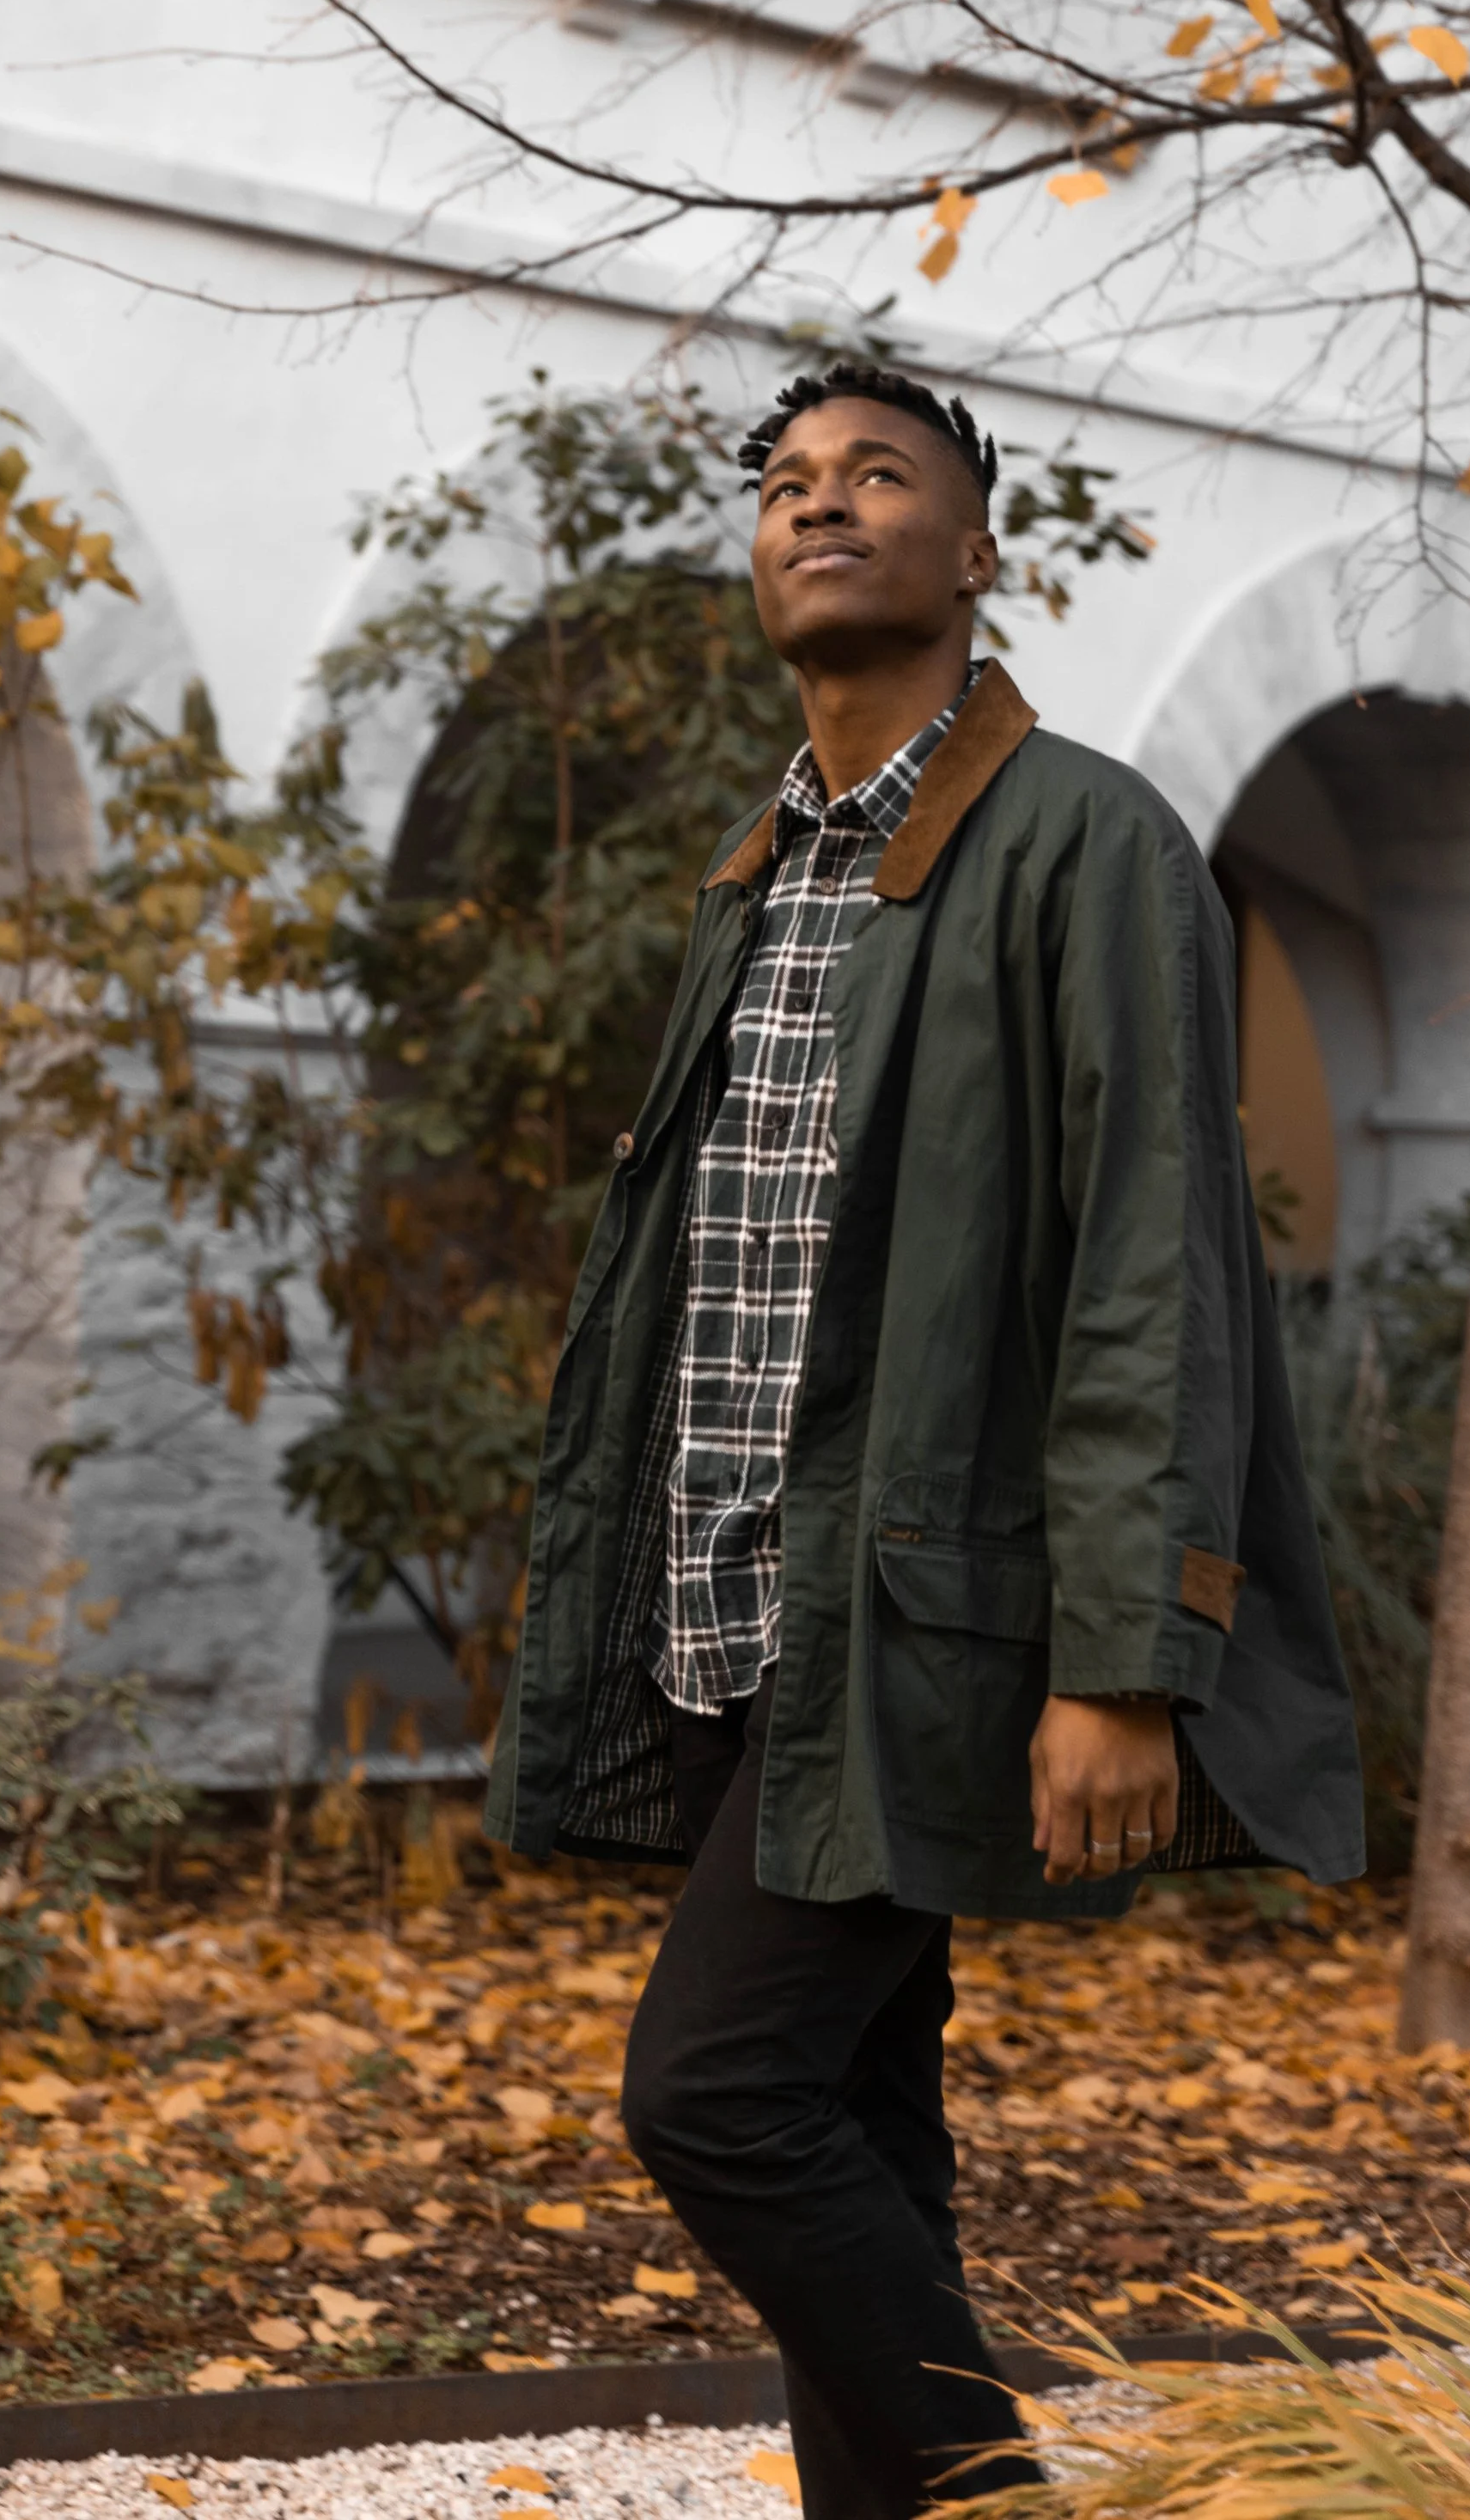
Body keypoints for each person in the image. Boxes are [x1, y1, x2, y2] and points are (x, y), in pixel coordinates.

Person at [483, 360, 1365, 2520]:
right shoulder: (755, 872)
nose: (818, 505)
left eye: (876, 476)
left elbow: (1154, 1261)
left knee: (715, 2094)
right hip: (730, 1606)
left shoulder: (1086, 841)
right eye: (784, 482)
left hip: (928, 1623)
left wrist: (1123, 1652)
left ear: (975, 551)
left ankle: (1007, 2504)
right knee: (856, 2116)